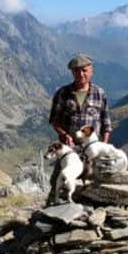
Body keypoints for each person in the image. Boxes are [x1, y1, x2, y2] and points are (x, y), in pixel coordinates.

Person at [46, 54, 112, 204]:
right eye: (76, 71)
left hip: (92, 152)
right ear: (72, 72)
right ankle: (52, 214)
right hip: (68, 151)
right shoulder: (63, 93)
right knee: (58, 182)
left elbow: (106, 124)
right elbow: (54, 121)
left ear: (91, 71)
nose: (81, 74)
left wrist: (103, 147)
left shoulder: (99, 94)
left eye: (84, 70)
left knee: (93, 186)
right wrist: (64, 134)